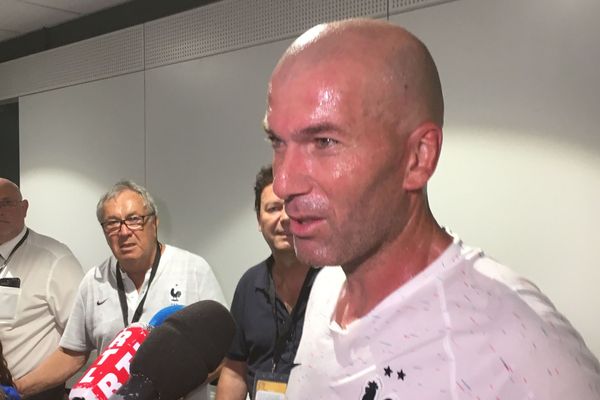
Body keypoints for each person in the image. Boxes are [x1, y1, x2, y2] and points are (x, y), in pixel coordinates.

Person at [262, 18, 600, 399]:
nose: (285, 182)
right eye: (277, 142)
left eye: (324, 141)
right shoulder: (327, 284)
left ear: (418, 158)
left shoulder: (523, 351)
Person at [16, 180, 227, 400]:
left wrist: (170, 388)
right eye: (112, 223)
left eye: (134, 219)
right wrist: (16, 388)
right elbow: (72, 354)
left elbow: (223, 351)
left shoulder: (193, 269)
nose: (123, 232)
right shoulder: (93, 282)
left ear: (154, 223)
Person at [216, 165, 319, 400]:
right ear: (259, 220)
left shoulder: (337, 282)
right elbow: (235, 372)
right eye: (273, 208)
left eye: (294, 207)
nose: (284, 218)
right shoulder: (249, 285)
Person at [0, 178, 83, 400]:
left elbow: (80, 344)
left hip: (31, 394)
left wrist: (16, 390)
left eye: (6, 203)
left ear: (24, 207)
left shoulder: (56, 260)